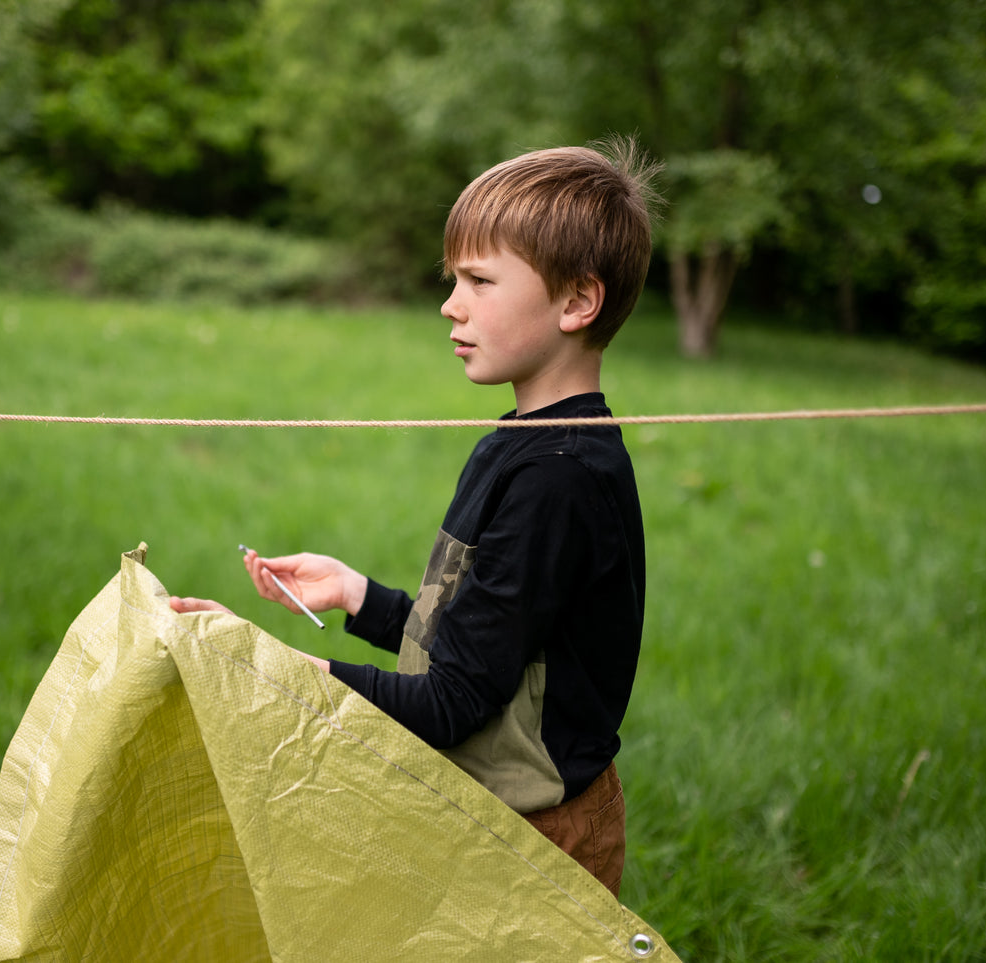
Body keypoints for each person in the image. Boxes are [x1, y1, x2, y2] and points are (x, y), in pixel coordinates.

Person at [171, 137, 659, 895]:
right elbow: (482, 655)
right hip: (483, 812)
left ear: (575, 301)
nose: (449, 304)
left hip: (537, 841)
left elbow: (450, 706)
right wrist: (359, 595)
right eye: (451, 278)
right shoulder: (519, 447)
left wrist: (258, 664)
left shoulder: (560, 479)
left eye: (478, 280)